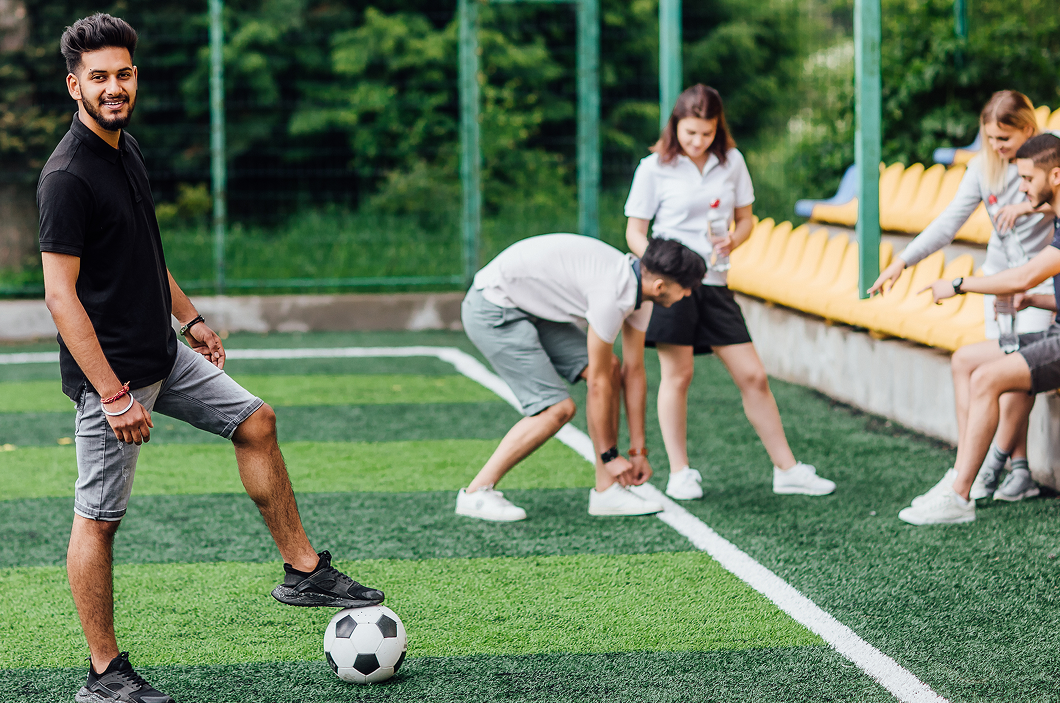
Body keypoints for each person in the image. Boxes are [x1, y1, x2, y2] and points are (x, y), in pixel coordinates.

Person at [38, 15, 384, 703]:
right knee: (98, 519)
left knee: (257, 421)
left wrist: (189, 318)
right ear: (75, 85)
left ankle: (303, 571)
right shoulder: (67, 176)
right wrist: (112, 394)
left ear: (136, 76)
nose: (113, 87)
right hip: (114, 374)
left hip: (161, 351)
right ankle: (104, 675)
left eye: (123, 74)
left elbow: (144, 253)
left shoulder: (125, 149)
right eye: (99, 77)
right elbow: (59, 295)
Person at [868, 90, 1060, 503]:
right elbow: (948, 222)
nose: (996, 146)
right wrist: (902, 262)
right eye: (990, 138)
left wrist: (1027, 209)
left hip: (1038, 283)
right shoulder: (982, 167)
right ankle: (983, 466)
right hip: (998, 280)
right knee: (996, 370)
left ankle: (994, 470)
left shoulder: (1053, 150)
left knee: (1017, 373)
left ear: (1027, 129)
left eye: (1004, 139)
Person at [897, 134, 1060, 525]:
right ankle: (962, 474)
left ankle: (960, 496)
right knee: (966, 359)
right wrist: (1034, 300)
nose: (1021, 188)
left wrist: (959, 284)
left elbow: (1026, 275)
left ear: (1055, 176)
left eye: (1026, 178)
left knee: (987, 378)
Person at [624, 84, 836, 501]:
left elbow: (746, 220)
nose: (698, 141)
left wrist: (733, 241)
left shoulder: (732, 161)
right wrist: (663, 269)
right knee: (678, 376)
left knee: (753, 376)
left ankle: (787, 470)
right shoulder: (653, 168)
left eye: (706, 133)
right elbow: (634, 232)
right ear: (675, 126)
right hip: (672, 286)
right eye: (690, 133)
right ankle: (680, 472)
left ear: (717, 128)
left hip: (716, 282)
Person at [455, 233, 705, 521]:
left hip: (528, 305)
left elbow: (633, 371)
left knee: (611, 367)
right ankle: (475, 492)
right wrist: (610, 456)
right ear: (660, 286)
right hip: (493, 306)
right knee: (557, 409)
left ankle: (606, 492)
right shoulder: (612, 295)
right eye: (687, 288)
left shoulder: (642, 293)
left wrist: (638, 452)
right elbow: (598, 383)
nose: (688, 295)